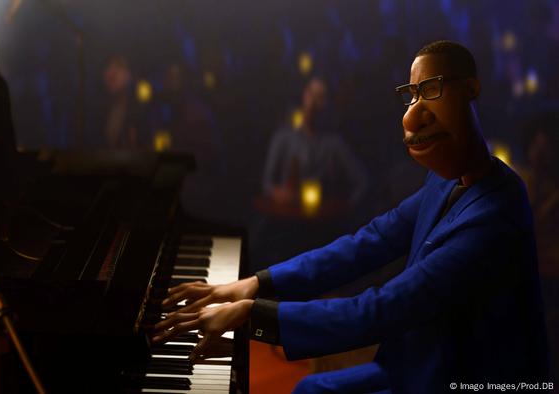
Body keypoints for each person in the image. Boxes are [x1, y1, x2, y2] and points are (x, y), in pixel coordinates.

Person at [153, 40, 548, 393]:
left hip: (465, 379)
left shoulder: (495, 215)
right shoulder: (445, 182)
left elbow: (385, 307)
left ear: (471, 89)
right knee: (311, 388)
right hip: (416, 366)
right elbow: (369, 242)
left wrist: (252, 315)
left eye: (431, 89)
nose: (415, 112)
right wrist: (257, 284)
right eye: (411, 95)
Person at [261, 77, 368, 207]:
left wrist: (344, 209)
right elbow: (267, 182)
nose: (312, 102)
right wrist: (277, 194)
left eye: (319, 97)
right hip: (287, 217)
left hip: (323, 220)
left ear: (326, 103)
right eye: (310, 94)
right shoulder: (283, 137)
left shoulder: (334, 144)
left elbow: (362, 181)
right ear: (304, 95)